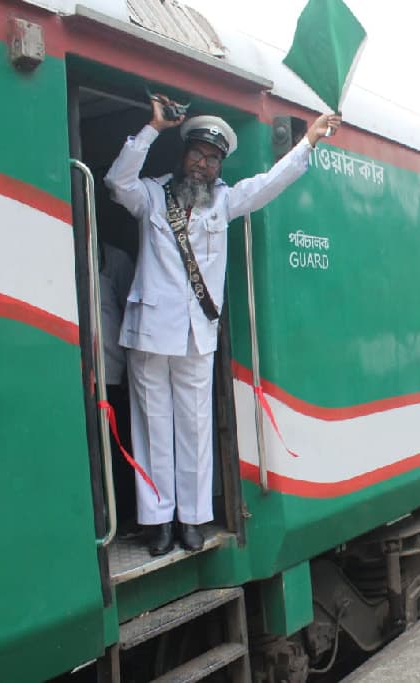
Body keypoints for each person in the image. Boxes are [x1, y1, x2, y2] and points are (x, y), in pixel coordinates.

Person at [105, 92, 341, 555]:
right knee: (152, 427)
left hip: (197, 334)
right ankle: (159, 522)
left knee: (195, 428)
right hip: (151, 333)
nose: (204, 165)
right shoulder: (152, 196)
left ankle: (192, 519)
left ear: (219, 168)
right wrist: (153, 127)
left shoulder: (224, 203)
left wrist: (309, 141)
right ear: (184, 154)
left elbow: (271, 183)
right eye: (198, 154)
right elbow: (116, 180)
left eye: (213, 160)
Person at [100, 241, 136, 532]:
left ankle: (124, 516)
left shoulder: (116, 259)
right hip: (82, 375)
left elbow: (130, 313)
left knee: (118, 449)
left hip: (113, 373)